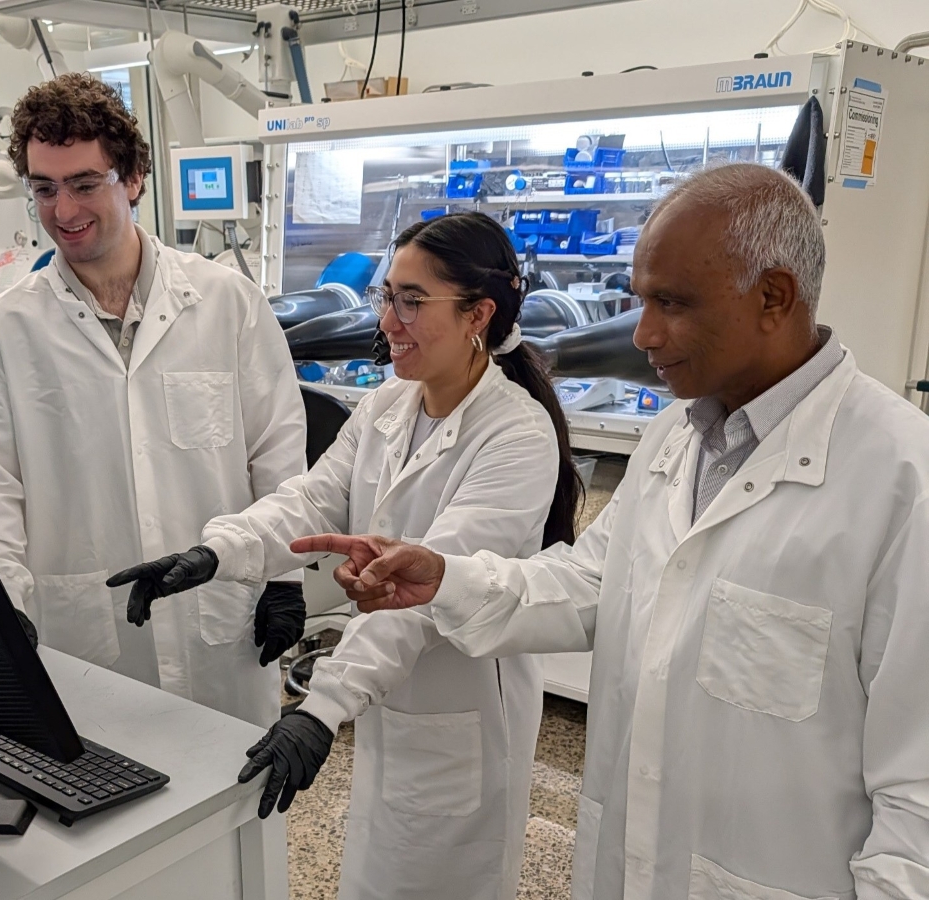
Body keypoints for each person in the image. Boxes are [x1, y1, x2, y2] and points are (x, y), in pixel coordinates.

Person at [296, 164, 929, 900]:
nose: (645, 332)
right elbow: (590, 583)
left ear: (774, 298)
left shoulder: (900, 482)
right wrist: (448, 578)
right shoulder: (676, 439)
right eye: (640, 299)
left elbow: (918, 798)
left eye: (672, 303)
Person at [109, 212, 585, 900]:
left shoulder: (516, 435)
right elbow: (309, 500)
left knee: (443, 884)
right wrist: (215, 552)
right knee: (378, 876)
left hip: (462, 707)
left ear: (479, 313)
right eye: (387, 295)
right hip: (390, 705)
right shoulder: (391, 404)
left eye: (412, 301)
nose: (388, 320)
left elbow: (425, 600)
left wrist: (320, 706)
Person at [0, 73, 307, 728]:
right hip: (90, 641)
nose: (64, 210)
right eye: (44, 189)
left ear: (133, 177)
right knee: (119, 815)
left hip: (220, 620)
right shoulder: (6, 332)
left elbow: (278, 460)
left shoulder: (228, 305)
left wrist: (282, 576)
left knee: (238, 813)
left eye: (85, 184)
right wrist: (9, 610)